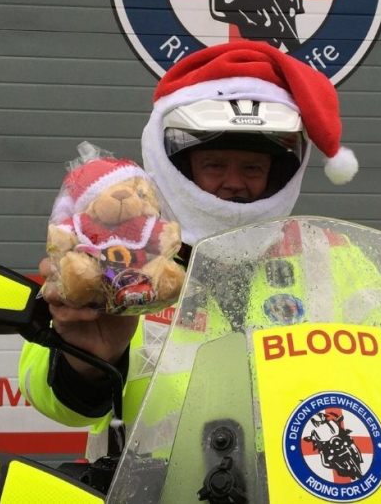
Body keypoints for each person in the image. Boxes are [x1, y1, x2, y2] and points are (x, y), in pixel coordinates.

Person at [18, 41, 361, 458]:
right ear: (182, 166)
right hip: (147, 486)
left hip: (305, 482)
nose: (234, 182)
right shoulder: (118, 254)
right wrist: (86, 363)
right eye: (214, 164)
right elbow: (53, 401)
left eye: (252, 167)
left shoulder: (334, 256)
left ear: (279, 171)